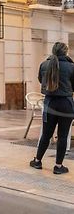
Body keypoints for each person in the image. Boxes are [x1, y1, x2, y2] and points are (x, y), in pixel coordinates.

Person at [30, 42, 74, 175]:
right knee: (62, 136)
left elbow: (40, 80)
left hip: (49, 104)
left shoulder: (44, 64)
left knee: (46, 134)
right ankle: (58, 166)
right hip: (66, 104)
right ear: (65, 52)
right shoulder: (71, 66)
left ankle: (37, 161)